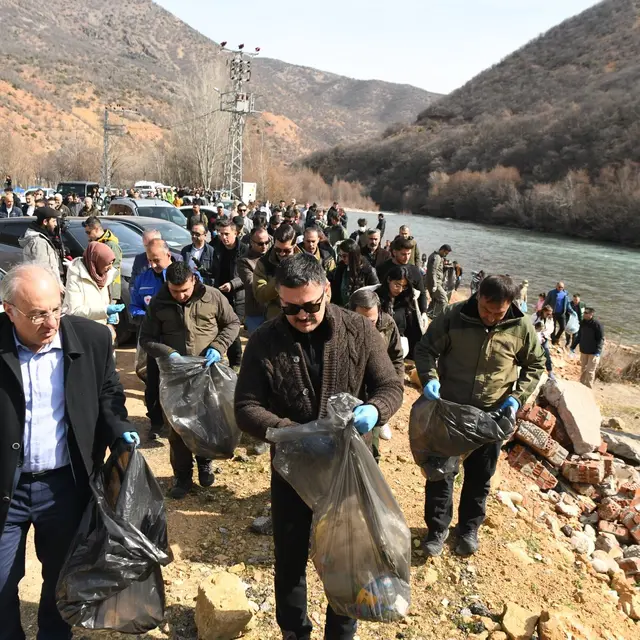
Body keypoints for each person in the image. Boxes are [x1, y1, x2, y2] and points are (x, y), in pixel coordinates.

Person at [235, 253, 403, 640]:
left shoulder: (359, 330)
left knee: (348, 554)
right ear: (279, 298)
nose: (303, 316)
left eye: (311, 306)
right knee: (290, 558)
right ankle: (295, 631)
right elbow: (246, 408)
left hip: (348, 467)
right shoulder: (265, 340)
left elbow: (391, 386)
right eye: (291, 309)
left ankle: (341, 632)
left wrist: (374, 411)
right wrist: (294, 432)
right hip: (293, 469)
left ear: (327, 291)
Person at [0, 264, 138, 640]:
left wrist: (120, 431)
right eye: (37, 315)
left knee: (62, 580)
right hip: (5, 487)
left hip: (64, 486)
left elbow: (109, 396)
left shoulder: (91, 340)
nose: (50, 322)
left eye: (55, 309)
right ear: (9, 310)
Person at [415, 275, 545, 557]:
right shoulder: (454, 315)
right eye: (485, 309)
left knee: (480, 475)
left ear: (510, 304)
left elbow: (536, 365)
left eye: (497, 313)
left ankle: (469, 529)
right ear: (477, 297)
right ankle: (437, 530)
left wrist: (516, 397)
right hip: (451, 411)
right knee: (440, 472)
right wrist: (429, 377)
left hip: (492, 415)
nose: (489, 318)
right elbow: (426, 349)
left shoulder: (520, 326)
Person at [140, 261, 240, 498]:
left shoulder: (213, 297)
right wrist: (168, 353)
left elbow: (233, 323)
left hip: (208, 372)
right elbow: (146, 338)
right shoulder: (159, 302)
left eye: (184, 290)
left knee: (206, 421)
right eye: (175, 291)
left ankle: (205, 463)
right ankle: (182, 477)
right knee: (178, 428)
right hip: (176, 377)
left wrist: (218, 346)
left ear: (193, 279)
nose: (181, 295)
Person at [349, 288, 404, 460]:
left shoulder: (388, 325)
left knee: (371, 449)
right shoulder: (340, 325)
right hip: (350, 393)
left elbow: (396, 358)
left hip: (375, 395)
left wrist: (394, 388)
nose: (367, 327)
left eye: (371, 322)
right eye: (361, 321)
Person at [62, 242, 124, 339]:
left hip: (101, 332)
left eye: (112, 263)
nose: (110, 267)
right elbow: (74, 311)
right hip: (82, 334)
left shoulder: (104, 276)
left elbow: (104, 302)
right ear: (97, 262)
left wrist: (110, 320)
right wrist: (105, 311)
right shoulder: (76, 277)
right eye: (108, 264)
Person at [210, 218, 248, 369]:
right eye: (220, 234)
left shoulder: (244, 250)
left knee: (233, 330)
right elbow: (213, 269)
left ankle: (237, 363)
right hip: (220, 295)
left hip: (238, 297)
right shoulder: (216, 247)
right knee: (220, 328)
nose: (223, 237)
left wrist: (232, 284)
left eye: (226, 234)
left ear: (236, 233)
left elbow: (248, 275)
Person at [377, 237, 428, 330]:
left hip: (408, 314)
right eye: (403, 254)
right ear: (394, 252)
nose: (407, 257)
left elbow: (422, 293)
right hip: (386, 311)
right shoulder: (382, 268)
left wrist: (424, 312)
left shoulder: (414, 271)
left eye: (409, 254)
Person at [253, 224, 300, 321]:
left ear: (294, 246)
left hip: (301, 315)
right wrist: (280, 276)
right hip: (276, 318)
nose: (282, 254)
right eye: (278, 249)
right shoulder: (263, 264)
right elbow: (260, 295)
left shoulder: (306, 261)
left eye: (287, 251)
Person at [378, 265, 423, 359]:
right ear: (389, 280)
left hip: (400, 349)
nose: (400, 290)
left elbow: (413, 329)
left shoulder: (406, 300)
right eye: (397, 285)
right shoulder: (377, 298)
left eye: (404, 286)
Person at [18, 206, 64, 287]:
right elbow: (42, 271)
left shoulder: (41, 239)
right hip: (46, 288)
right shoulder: (39, 242)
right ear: (45, 222)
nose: (55, 224)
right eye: (53, 221)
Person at [238, 227, 271, 334]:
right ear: (252, 242)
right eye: (261, 244)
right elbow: (253, 284)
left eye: (267, 242)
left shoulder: (273, 255)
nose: (265, 246)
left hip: (274, 309)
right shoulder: (245, 261)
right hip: (256, 312)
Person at [83, 216, 122, 303]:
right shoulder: (95, 243)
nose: (87, 236)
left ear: (96, 229)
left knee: (109, 314)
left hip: (110, 288)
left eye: (88, 232)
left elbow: (114, 269)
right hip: (98, 287)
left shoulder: (111, 245)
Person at [331, 238, 379, 307]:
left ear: (353, 255)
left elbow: (377, 293)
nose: (342, 258)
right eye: (340, 255)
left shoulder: (369, 271)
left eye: (344, 256)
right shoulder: (340, 268)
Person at [578, 308, 604, 389]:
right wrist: (573, 346)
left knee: (590, 371)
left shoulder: (597, 324)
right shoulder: (582, 323)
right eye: (584, 313)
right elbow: (579, 335)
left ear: (591, 314)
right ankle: (581, 386)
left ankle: (589, 388)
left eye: (586, 313)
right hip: (584, 350)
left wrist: (598, 351)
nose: (584, 314)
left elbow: (601, 338)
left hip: (594, 351)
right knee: (583, 369)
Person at [426, 244, 452, 318]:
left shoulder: (434, 255)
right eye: (446, 253)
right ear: (442, 250)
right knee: (444, 299)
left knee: (435, 300)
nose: (446, 255)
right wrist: (434, 285)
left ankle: (428, 313)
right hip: (435, 283)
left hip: (431, 282)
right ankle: (439, 316)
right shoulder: (437, 257)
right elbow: (433, 271)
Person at [531, 305, 555, 380]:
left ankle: (550, 372)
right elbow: (529, 326)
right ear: (543, 311)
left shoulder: (550, 318)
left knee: (546, 354)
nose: (549, 315)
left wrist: (544, 335)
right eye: (547, 314)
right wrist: (537, 332)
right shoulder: (535, 316)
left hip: (544, 337)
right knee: (533, 354)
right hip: (534, 337)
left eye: (550, 314)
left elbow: (551, 328)